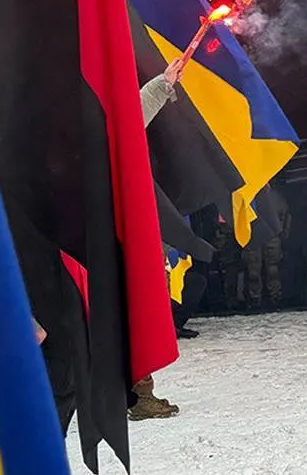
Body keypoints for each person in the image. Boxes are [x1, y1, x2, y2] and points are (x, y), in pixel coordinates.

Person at [129, 59, 184, 421]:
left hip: (120, 231)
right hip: (79, 235)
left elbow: (127, 121)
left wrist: (163, 84)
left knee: (136, 307)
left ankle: (138, 393)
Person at [242, 188, 288, 310]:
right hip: (255, 236)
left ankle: (272, 298)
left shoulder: (274, 196)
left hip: (266, 235)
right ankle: (258, 299)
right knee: (255, 271)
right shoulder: (251, 195)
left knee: (270, 270)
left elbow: (285, 216)